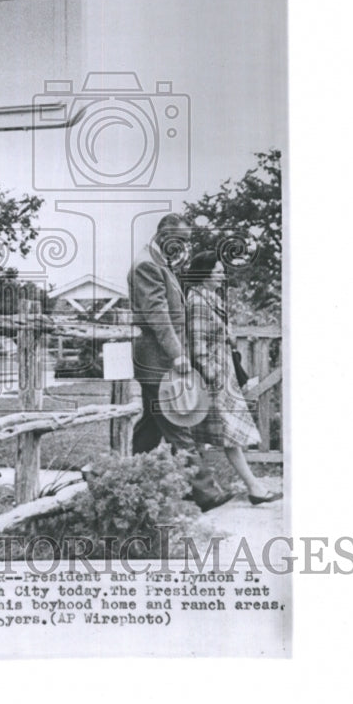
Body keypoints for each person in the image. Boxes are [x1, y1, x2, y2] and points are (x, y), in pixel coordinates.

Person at [128, 213, 233, 511]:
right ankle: (206, 493)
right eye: (180, 240)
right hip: (158, 361)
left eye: (186, 242)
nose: (184, 247)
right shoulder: (147, 264)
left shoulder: (158, 262)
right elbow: (158, 316)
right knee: (179, 425)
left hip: (158, 360)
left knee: (149, 429)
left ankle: (126, 477)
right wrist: (178, 356)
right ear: (164, 234)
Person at [184, 250, 282, 505]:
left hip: (221, 376)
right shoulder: (197, 303)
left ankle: (193, 485)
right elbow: (197, 348)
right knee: (226, 434)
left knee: (201, 435)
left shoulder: (210, 300)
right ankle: (254, 488)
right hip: (213, 380)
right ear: (203, 275)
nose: (221, 275)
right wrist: (215, 377)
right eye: (216, 272)